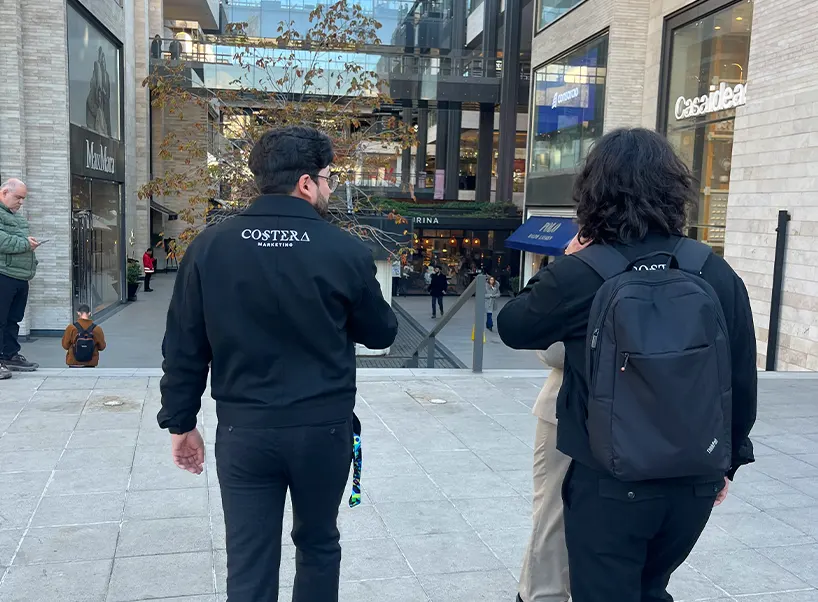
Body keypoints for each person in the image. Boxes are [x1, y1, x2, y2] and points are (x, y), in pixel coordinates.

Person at [498, 128, 757, 602]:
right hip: (693, 481)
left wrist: (565, 262)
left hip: (609, 482)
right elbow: (740, 375)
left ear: (594, 193)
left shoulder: (586, 271)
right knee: (651, 587)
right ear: (676, 190)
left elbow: (514, 325)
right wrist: (731, 460)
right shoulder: (713, 270)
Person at [158, 126, 398, 602]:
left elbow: (184, 346)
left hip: (245, 432)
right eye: (328, 179)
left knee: (249, 559)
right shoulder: (345, 249)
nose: (330, 188)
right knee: (318, 544)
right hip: (322, 430)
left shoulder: (209, 246)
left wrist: (180, 423)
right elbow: (381, 333)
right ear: (306, 183)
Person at [517, 343, 571, 602]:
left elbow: (554, 352)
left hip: (568, 408)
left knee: (552, 511)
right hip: (645, 415)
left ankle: (543, 596)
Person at [0, 179, 40, 378]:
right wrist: (26, 244)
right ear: (4, 192)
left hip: (19, 275)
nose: (20, 202)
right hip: (3, 274)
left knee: (13, 318)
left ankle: (9, 355)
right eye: (18, 197)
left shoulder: (15, 217)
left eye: (23, 198)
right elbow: (2, 241)